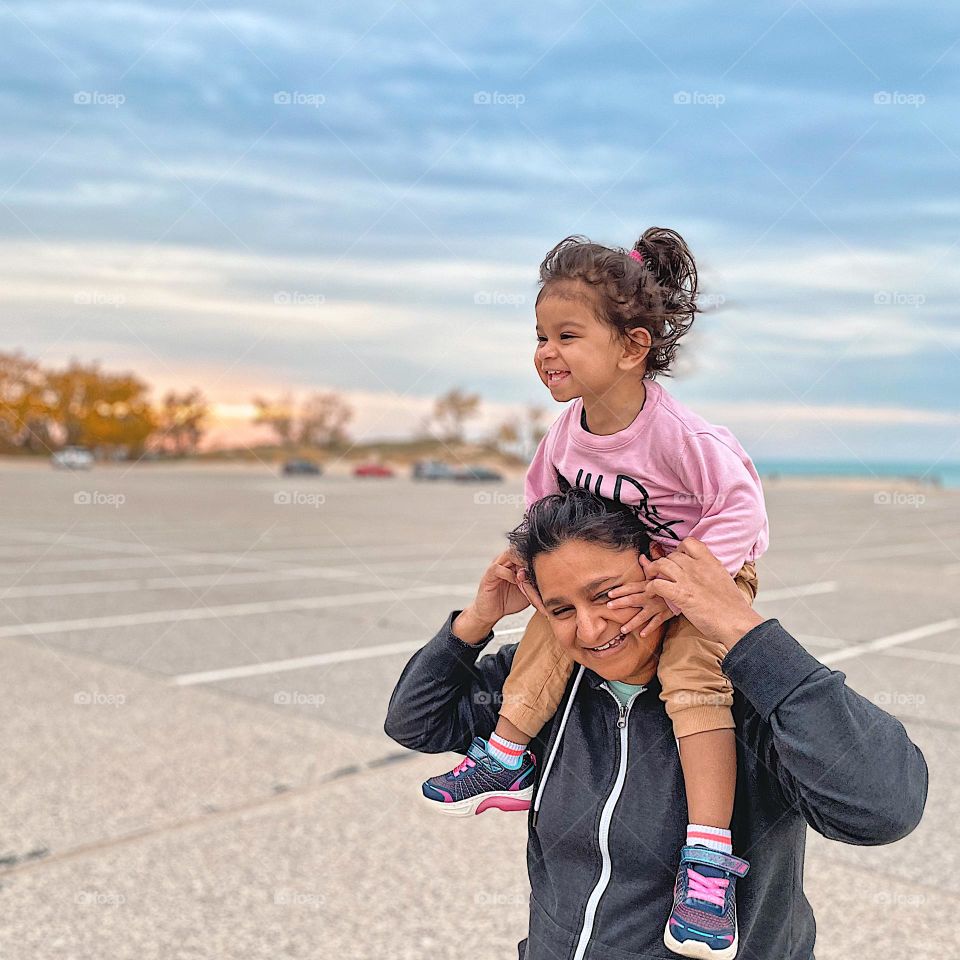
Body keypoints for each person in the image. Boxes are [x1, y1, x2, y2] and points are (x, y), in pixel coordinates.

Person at [384, 488, 927, 960]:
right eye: (562, 610)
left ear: (659, 570)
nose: (592, 629)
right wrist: (476, 620)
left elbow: (882, 809)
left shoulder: (754, 701)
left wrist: (743, 630)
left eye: (607, 595)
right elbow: (417, 722)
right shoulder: (551, 690)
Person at [419, 228, 768, 956]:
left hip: (706, 570)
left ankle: (706, 862)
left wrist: (682, 592)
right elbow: (542, 505)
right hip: (619, 577)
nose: (547, 351)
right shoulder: (567, 432)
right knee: (554, 620)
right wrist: (523, 563)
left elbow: (743, 511)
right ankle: (507, 753)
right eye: (541, 335)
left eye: (567, 334)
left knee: (691, 677)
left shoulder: (679, 435)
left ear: (632, 347)